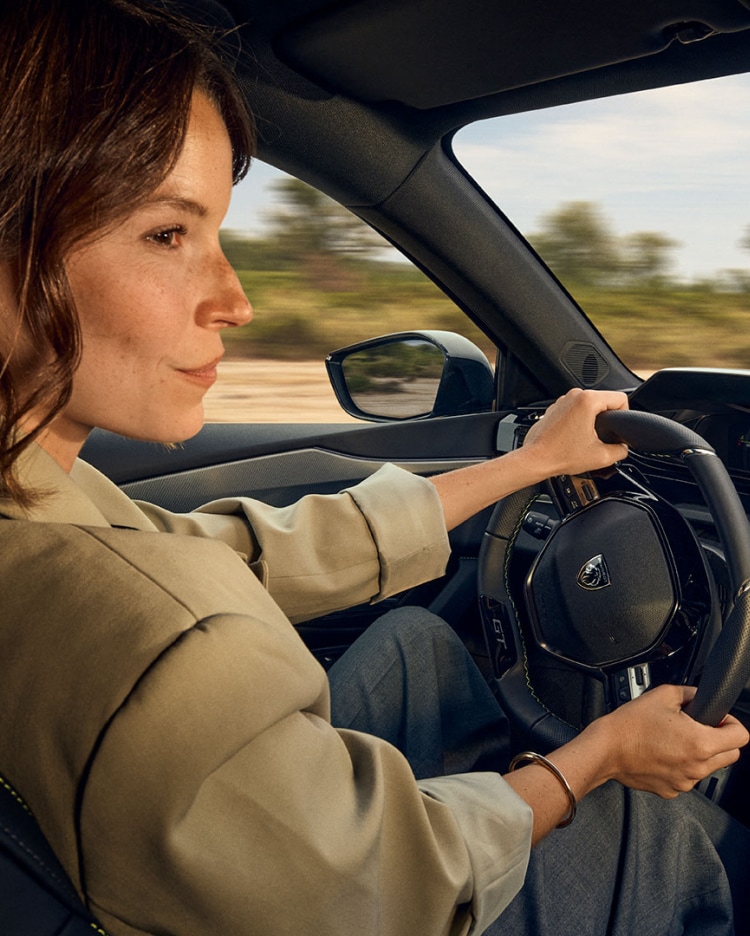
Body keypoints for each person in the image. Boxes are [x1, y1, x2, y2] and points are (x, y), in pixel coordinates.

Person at [0, 2, 748, 934]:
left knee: (416, 651)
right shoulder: (144, 633)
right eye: (166, 234)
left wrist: (531, 462)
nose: (235, 300)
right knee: (658, 835)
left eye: (215, 232)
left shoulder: (45, 499)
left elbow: (241, 554)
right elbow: (385, 891)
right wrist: (598, 758)